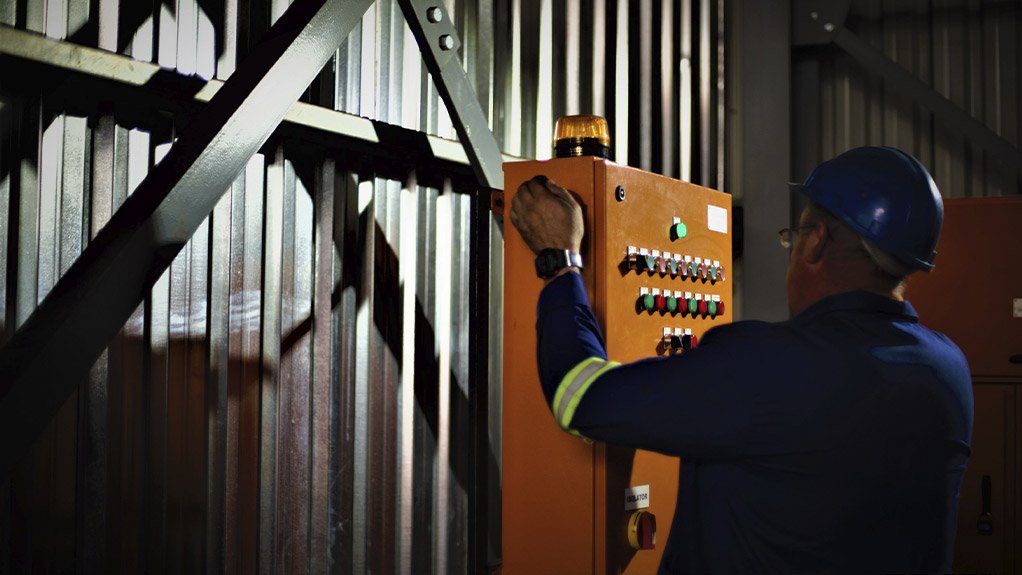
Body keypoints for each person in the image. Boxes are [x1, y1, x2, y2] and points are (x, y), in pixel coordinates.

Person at [509, 146, 973, 574]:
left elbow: (580, 398)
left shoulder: (771, 363)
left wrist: (560, 260)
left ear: (815, 242)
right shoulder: (948, 368)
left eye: (794, 236)